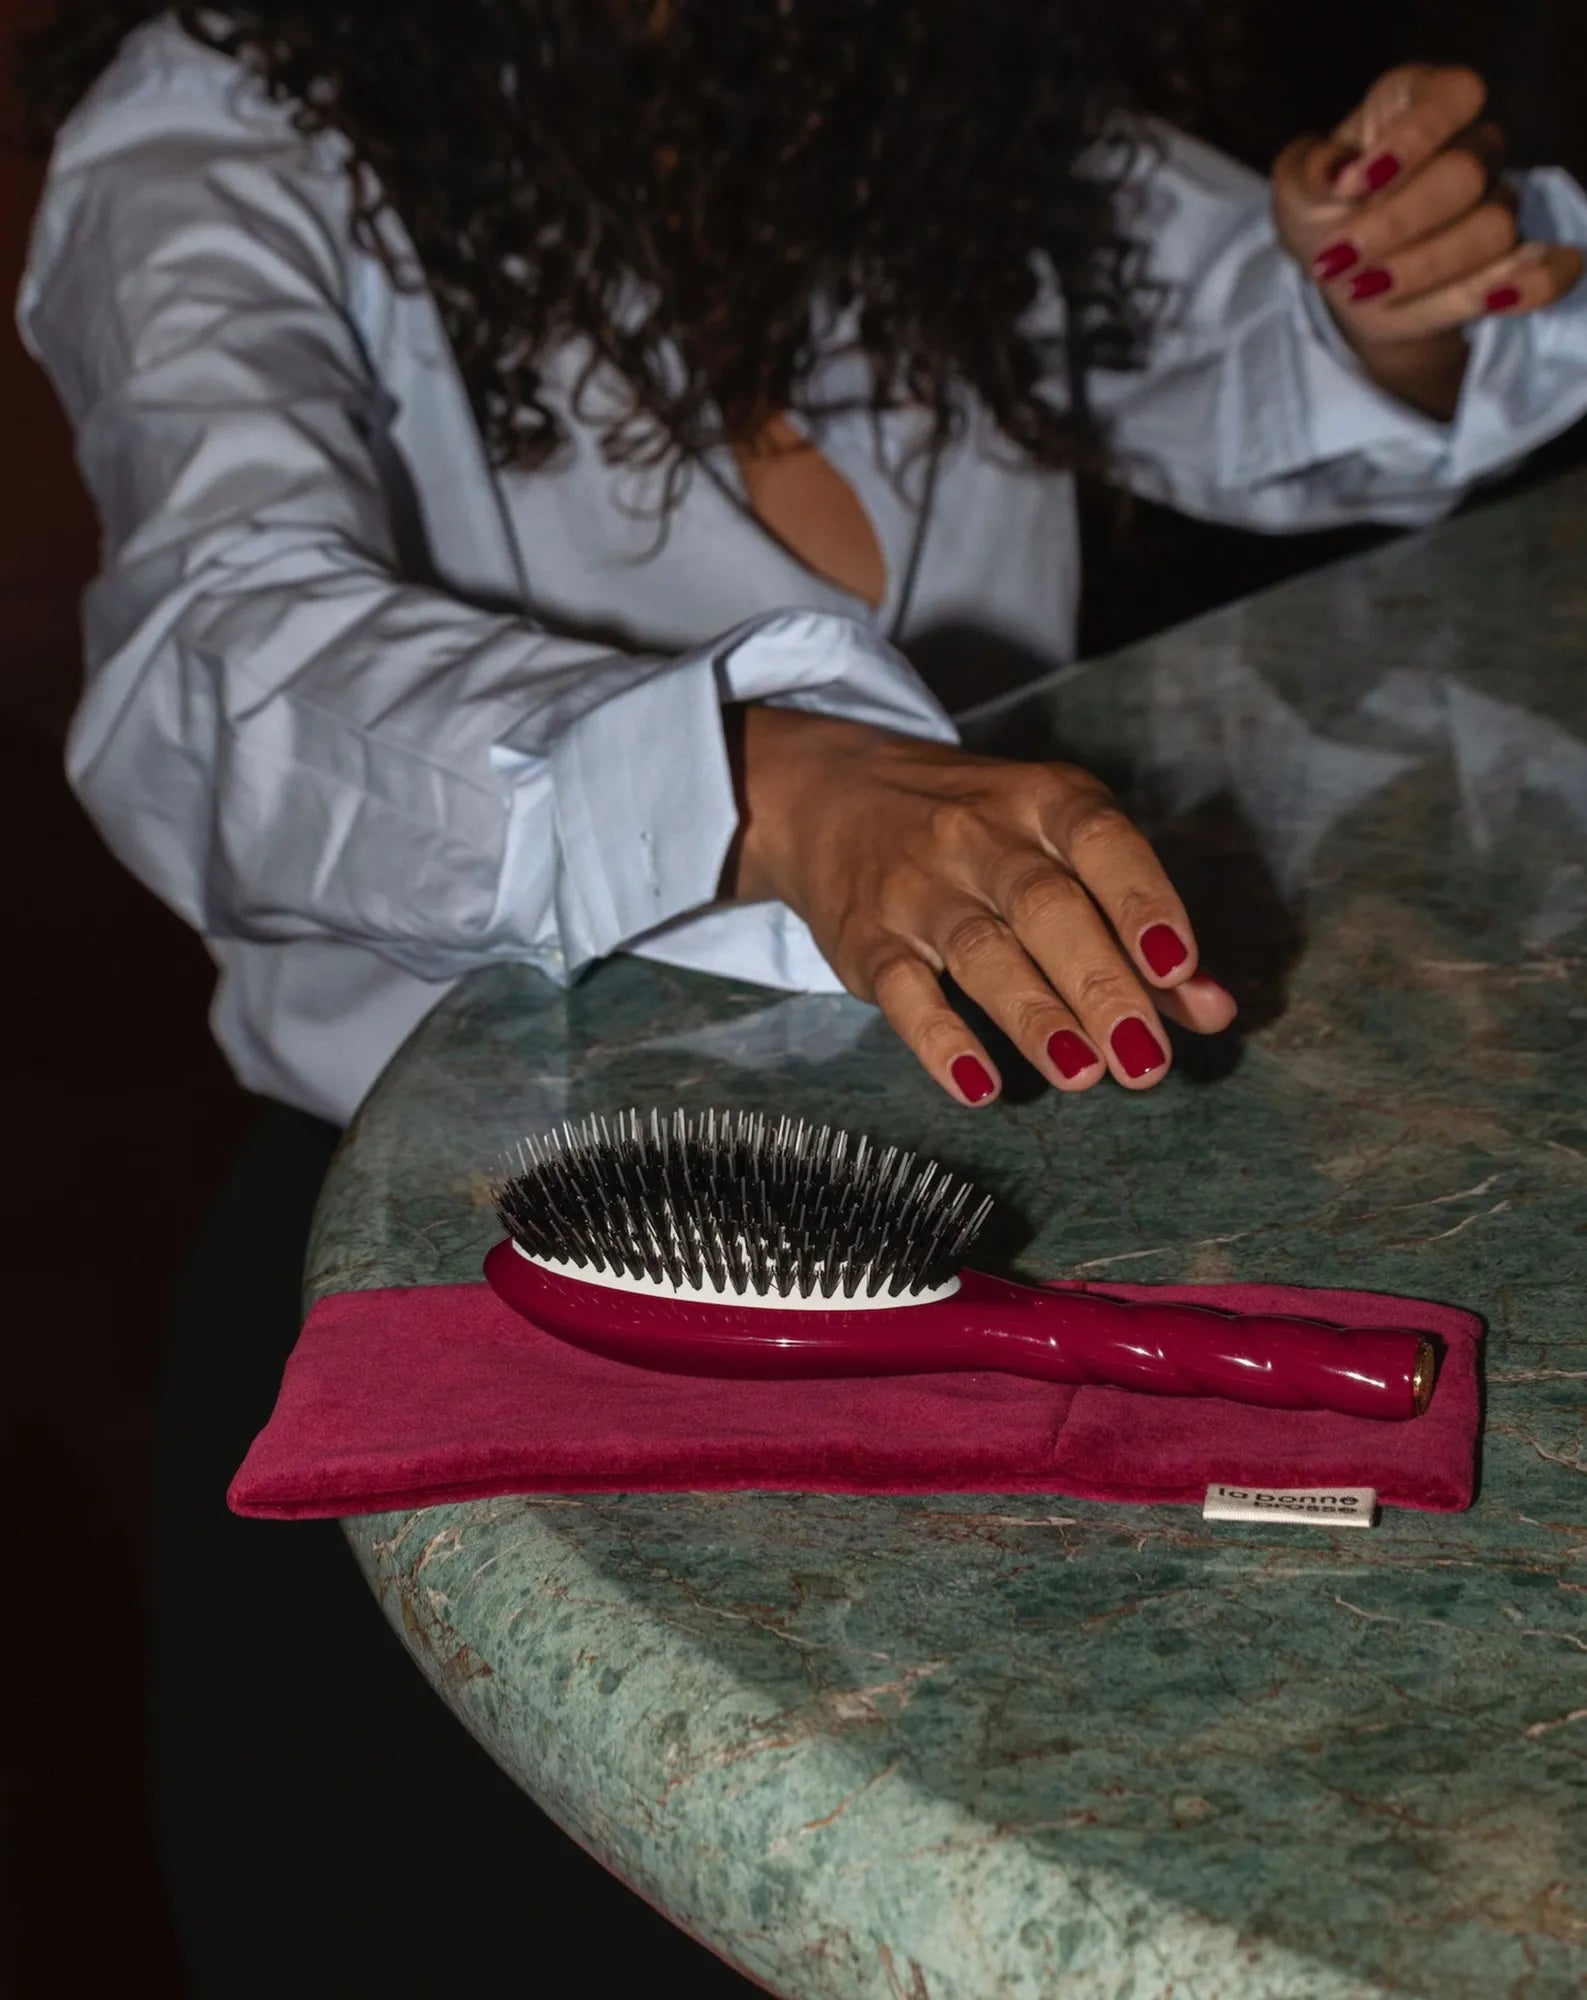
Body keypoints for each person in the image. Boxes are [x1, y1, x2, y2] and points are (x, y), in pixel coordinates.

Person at [16, 7, 1587, 1993]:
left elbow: (1247, 353)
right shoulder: (218, 118)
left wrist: (1389, 300)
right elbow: (214, 666)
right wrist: (761, 791)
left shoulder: (900, 69)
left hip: (991, 1209)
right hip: (475, 1264)